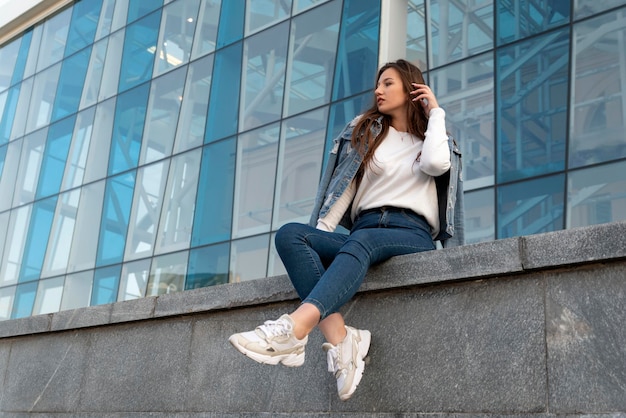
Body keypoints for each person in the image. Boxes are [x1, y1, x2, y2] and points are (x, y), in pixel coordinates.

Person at [229, 59, 464, 401]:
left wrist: (436, 113)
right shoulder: (369, 134)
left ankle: (294, 330)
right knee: (291, 235)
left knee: (362, 240)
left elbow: (435, 164)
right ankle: (340, 338)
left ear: (412, 89)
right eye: (378, 84)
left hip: (411, 233)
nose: (377, 91)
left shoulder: (434, 139)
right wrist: (320, 240)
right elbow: (344, 192)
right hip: (366, 227)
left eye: (387, 84)